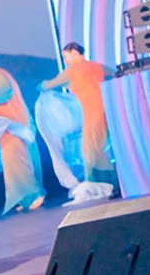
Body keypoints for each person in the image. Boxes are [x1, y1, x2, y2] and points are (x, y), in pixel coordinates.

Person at [0, 50, 44, 213]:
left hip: (13, 125)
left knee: (19, 161)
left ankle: (35, 195)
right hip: (10, 126)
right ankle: (26, 198)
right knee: (13, 163)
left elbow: (3, 93)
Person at [39, 43, 115, 183]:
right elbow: (115, 74)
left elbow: (48, 85)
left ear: (74, 52)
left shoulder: (72, 72)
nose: (64, 60)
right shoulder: (98, 67)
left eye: (65, 56)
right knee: (99, 150)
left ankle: (102, 184)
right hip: (107, 111)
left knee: (91, 151)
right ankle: (107, 182)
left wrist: (42, 85)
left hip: (93, 114)